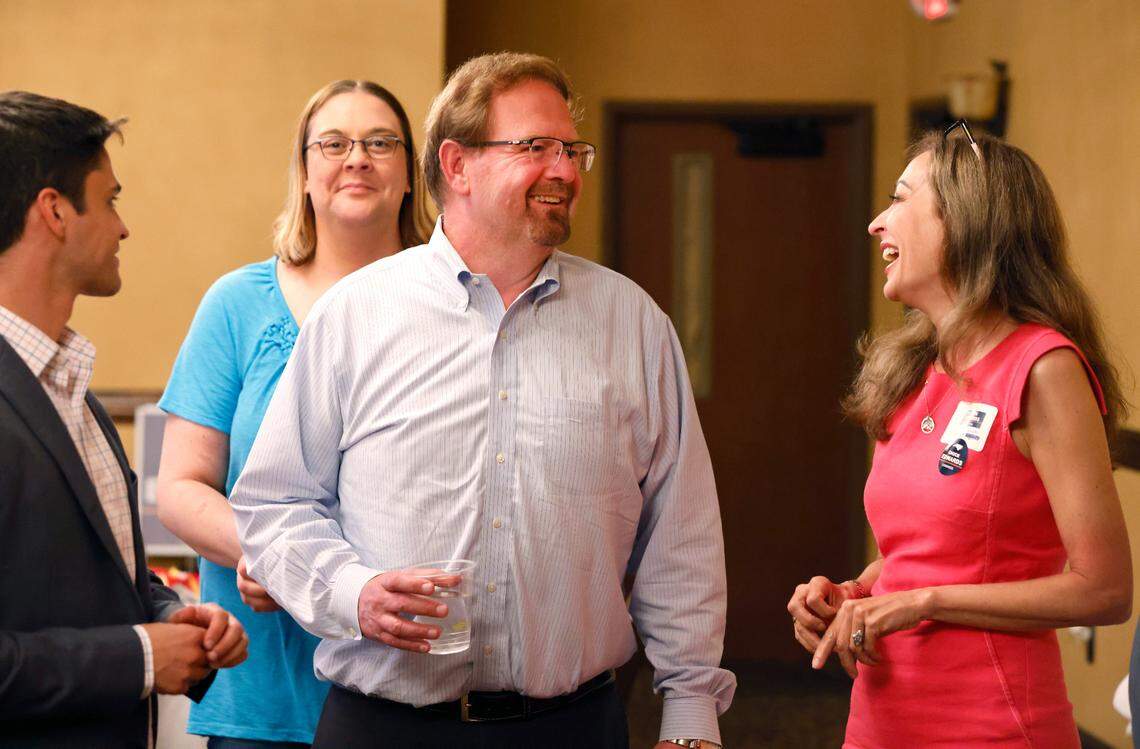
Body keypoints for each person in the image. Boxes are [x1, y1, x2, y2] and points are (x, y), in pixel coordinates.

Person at [229, 52, 735, 749]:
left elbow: (681, 531)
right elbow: (275, 504)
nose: (565, 169)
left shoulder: (633, 324)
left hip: (572, 727)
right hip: (385, 725)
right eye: (535, 147)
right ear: (457, 165)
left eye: (572, 150)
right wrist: (353, 592)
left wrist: (691, 708)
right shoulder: (355, 315)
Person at [787, 122, 1132, 747]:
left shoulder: (1042, 368)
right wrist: (855, 591)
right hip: (882, 715)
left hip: (990, 721)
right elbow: (928, 552)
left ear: (964, 219)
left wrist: (920, 603)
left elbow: (1105, 589)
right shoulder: (913, 373)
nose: (876, 223)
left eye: (899, 198)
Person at [155, 80, 432, 748]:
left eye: (380, 143)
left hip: (410, 683)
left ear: (410, 177)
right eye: (333, 143)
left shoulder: (450, 306)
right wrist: (274, 556)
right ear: (305, 174)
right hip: (266, 689)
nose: (357, 158)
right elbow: (181, 485)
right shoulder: (236, 304)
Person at [0, 90, 248, 747]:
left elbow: (103, 585)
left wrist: (173, 617)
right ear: (54, 211)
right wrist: (141, 656)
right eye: (109, 199)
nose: (123, 226)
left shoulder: (71, 390)